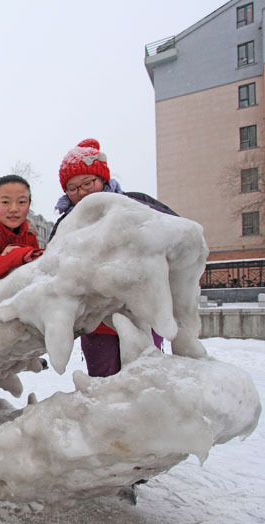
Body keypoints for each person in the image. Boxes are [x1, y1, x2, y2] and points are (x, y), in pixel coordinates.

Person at [50, 138, 178, 377]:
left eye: (88, 183)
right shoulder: (66, 224)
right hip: (98, 323)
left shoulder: (137, 204)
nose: (81, 193)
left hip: (144, 315)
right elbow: (54, 268)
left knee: (147, 383)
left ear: (103, 179)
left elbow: (180, 238)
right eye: (73, 188)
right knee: (105, 389)